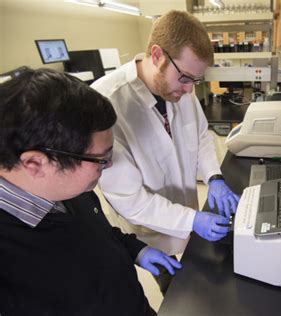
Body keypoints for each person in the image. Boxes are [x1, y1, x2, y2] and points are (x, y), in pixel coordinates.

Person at [0, 68, 182, 315]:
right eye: (100, 159)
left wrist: (136, 249)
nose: (109, 165)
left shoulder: (71, 188)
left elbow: (96, 233)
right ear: (35, 164)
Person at [91, 11, 240, 292]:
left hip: (188, 211)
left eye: (194, 81)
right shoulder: (106, 103)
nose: (188, 89)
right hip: (150, 230)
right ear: (157, 55)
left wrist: (214, 177)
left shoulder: (182, 87)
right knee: (178, 292)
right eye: (184, 78)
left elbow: (199, 135)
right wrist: (191, 220)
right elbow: (130, 199)